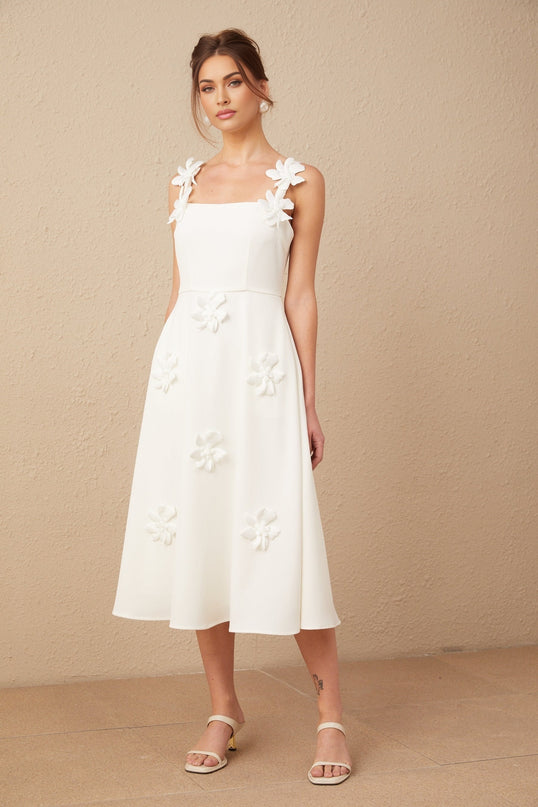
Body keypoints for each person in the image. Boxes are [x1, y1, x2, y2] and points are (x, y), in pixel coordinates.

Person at [112, 27, 351, 785]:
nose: (220, 98)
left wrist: (309, 402)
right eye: (208, 86)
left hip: (261, 378)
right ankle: (224, 706)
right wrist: (163, 390)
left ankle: (332, 715)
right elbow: (179, 295)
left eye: (234, 82)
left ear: (261, 86)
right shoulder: (185, 182)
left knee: (288, 538)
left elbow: (301, 295)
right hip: (189, 379)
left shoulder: (300, 179)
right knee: (203, 538)